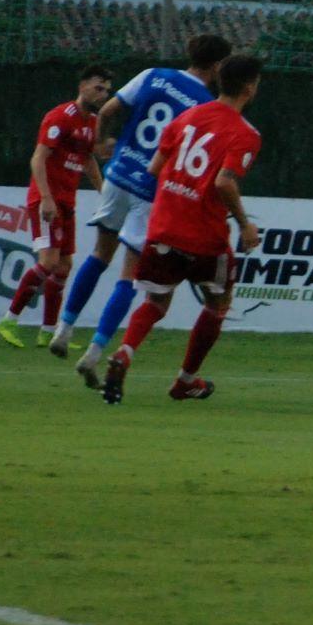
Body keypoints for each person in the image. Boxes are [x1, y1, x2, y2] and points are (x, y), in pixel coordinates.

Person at [52, 32, 232, 372]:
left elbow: (107, 110)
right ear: (219, 65)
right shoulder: (205, 106)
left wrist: (102, 143)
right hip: (151, 192)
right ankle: (93, 352)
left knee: (98, 255)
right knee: (128, 276)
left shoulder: (154, 75)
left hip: (118, 175)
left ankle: (63, 329)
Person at [101, 56, 264, 405]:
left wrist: (182, 190)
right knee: (218, 303)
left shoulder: (185, 118)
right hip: (205, 235)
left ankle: (125, 353)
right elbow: (224, 182)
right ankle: (186, 380)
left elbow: (156, 167)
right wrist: (244, 223)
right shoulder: (245, 134)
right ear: (249, 87)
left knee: (156, 302)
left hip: (163, 227)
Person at [0, 64, 111, 350]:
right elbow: (37, 159)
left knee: (63, 266)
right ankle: (8, 320)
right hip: (46, 200)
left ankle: (48, 331)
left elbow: (88, 161)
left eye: (107, 90)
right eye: (99, 87)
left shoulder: (93, 123)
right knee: (48, 262)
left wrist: (105, 193)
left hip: (66, 202)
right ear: (82, 86)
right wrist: (46, 197)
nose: (103, 94)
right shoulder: (60, 117)